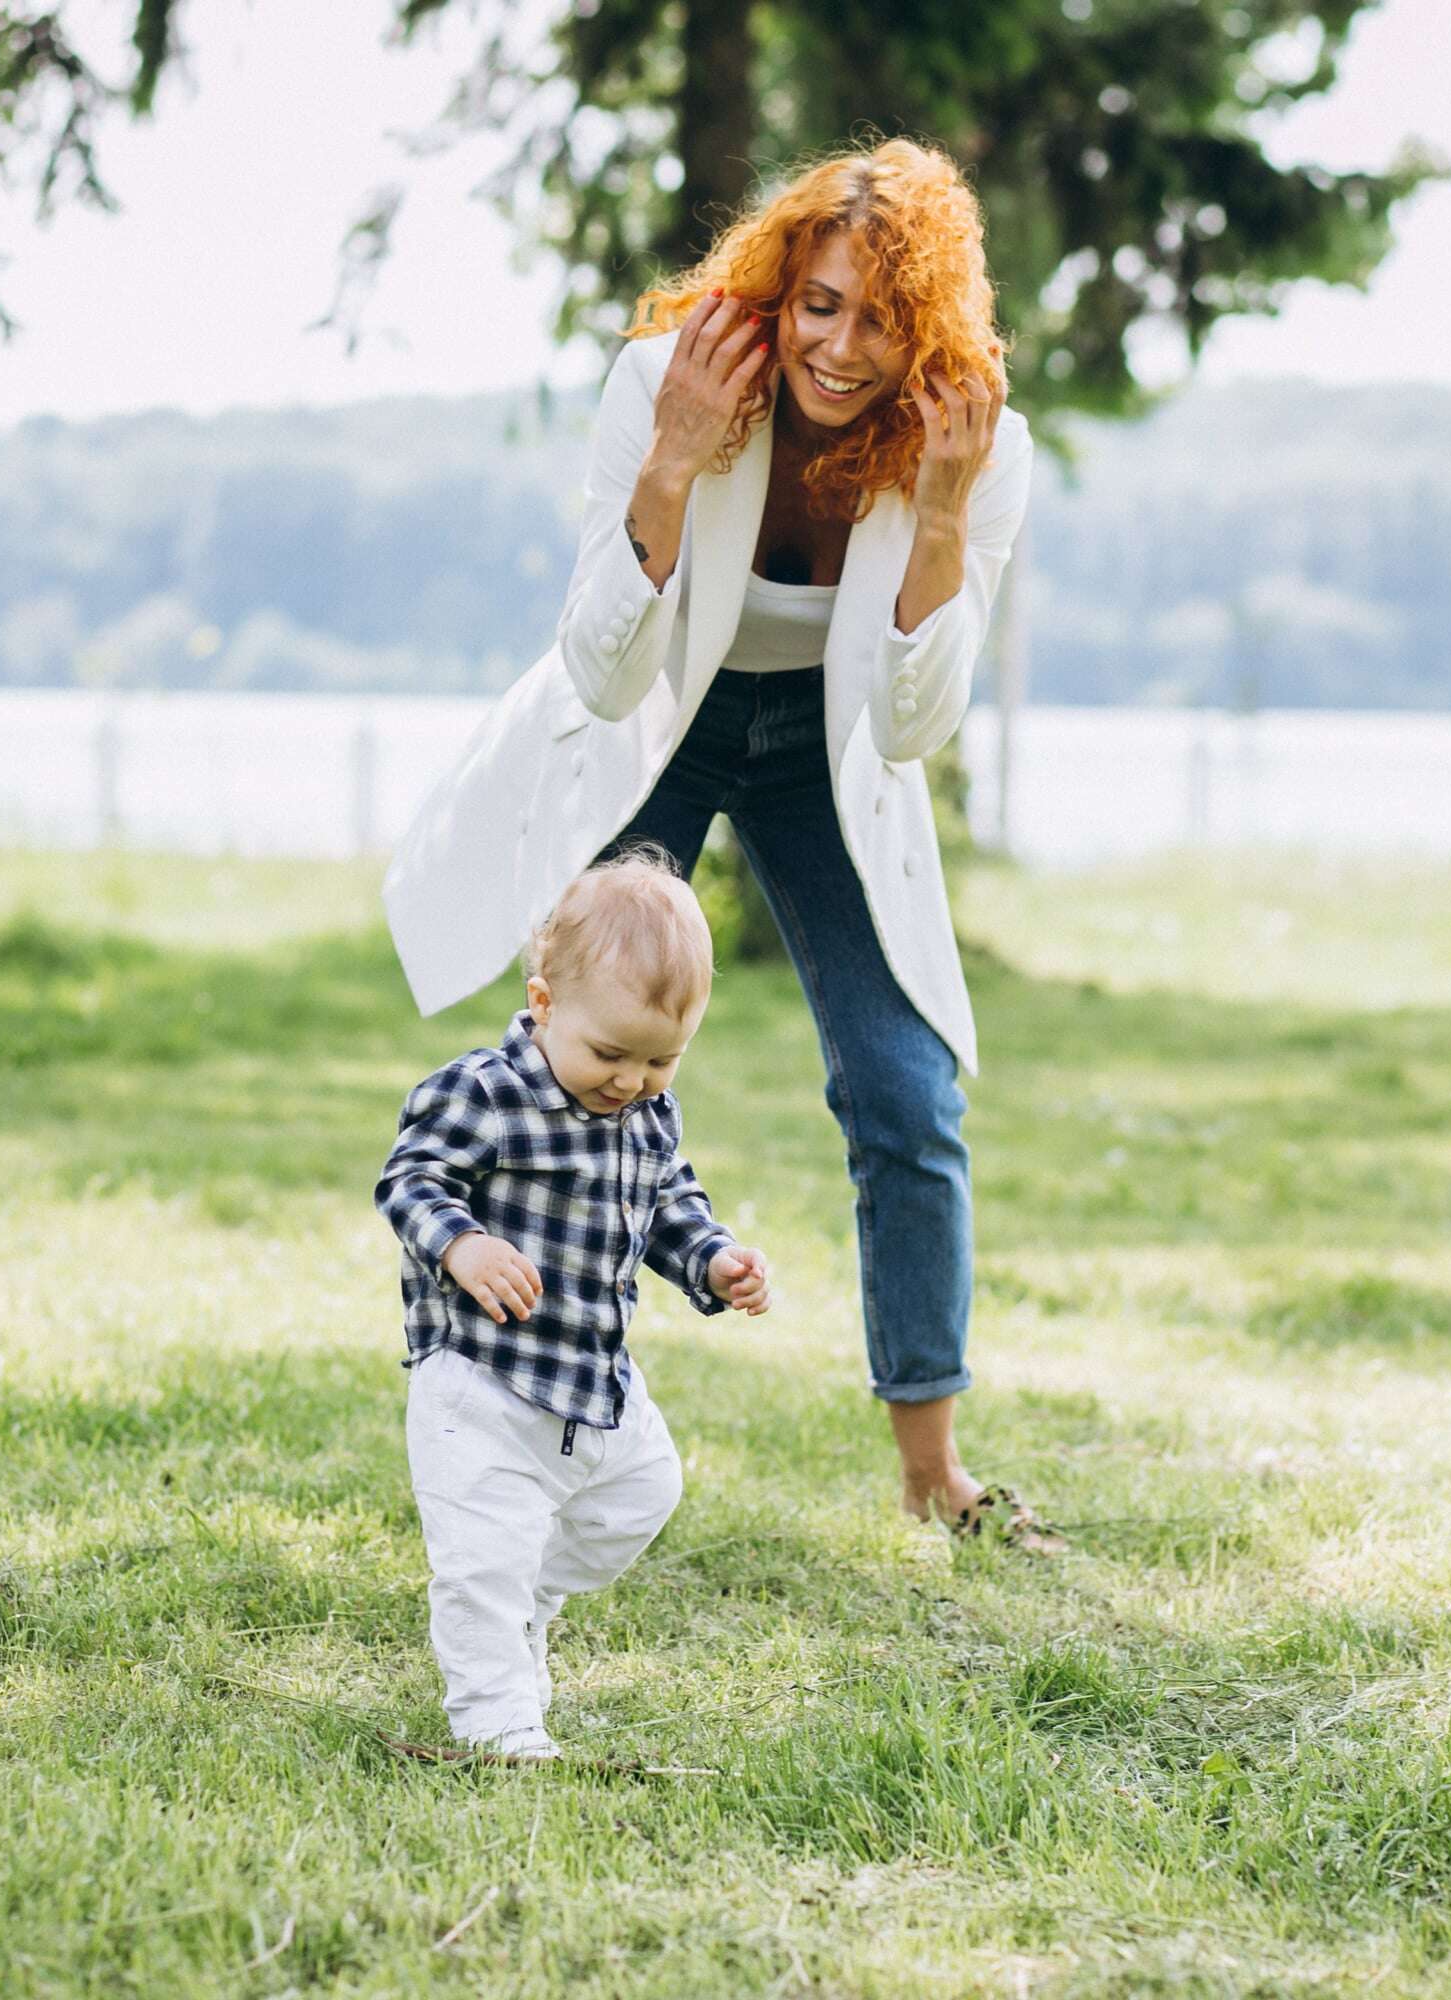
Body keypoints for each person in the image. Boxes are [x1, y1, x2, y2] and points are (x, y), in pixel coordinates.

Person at [382, 138, 1053, 1548]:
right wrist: (677, 465)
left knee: (908, 1094)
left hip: (831, 752)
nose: (842, 346)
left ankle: (934, 1469)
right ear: (779, 290)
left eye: (880, 316)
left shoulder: (977, 445)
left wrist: (937, 512)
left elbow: (916, 721)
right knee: (571, 1061)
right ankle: (511, 1412)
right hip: (663, 728)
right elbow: (605, 673)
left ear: (926, 325)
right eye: (819, 304)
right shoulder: (664, 381)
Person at [376, 854, 772, 1760]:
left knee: (644, 1493)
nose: (631, 1080)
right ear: (545, 1004)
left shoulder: (646, 1115)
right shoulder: (487, 1092)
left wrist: (712, 1264)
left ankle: (529, 1601)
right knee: (482, 1565)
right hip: (480, 1378)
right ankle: (499, 1724)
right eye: (610, 1053)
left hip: (592, 1374)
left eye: (662, 1059)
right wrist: (462, 1243)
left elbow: (670, 1204)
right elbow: (411, 1177)